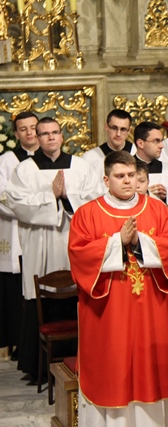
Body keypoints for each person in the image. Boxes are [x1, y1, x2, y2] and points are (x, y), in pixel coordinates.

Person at [68, 151, 168, 426]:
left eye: (132, 175)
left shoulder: (156, 209)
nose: (128, 181)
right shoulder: (87, 214)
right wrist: (116, 242)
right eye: (120, 176)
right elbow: (79, 255)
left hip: (149, 312)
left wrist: (139, 241)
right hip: (108, 314)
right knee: (111, 368)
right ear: (106, 180)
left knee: (148, 369)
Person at [4, 117, 101, 381]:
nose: (50, 137)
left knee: (75, 293)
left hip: (73, 238)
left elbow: (95, 198)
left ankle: (79, 361)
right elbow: (17, 203)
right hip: (39, 241)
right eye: (44, 134)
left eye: (55, 132)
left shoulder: (80, 166)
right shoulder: (25, 169)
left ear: (61, 135)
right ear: (37, 137)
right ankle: (40, 369)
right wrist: (51, 195)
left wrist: (68, 197)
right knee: (40, 296)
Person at [0, 112, 39, 363]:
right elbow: (2, 196)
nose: (29, 133)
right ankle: (16, 342)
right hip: (15, 230)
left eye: (33, 127)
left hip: (42, 230)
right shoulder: (6, 160)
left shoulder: (50, 159)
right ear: (16, 134)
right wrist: (32, 210)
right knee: (15, 289)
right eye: (23, 129)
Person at [81, 109, 136, 177]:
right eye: (114, 128)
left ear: (129, 131)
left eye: (123, 129)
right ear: (106, 127)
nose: (118, 134)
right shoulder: (90, 158)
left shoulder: (137, 153)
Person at [134, 121, 168, 203]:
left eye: (161, 141)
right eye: (156, 141)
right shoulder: (126, 168)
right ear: (140, 143)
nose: (162, 146)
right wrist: (146, 194)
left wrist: (166, 196)